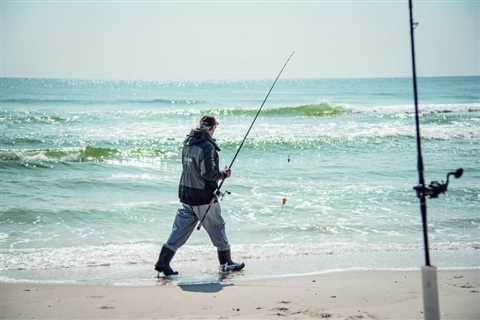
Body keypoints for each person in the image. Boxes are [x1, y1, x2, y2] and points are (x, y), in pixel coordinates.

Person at [154, 115, 245, 276]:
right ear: (211, 128)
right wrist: (223, 174)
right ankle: (226, 263)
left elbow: (191, 169)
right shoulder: (207, 147)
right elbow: (208, 174)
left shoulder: (188, 142)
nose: (215, 130)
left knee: (179, 232)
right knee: (218, 228)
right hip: (203, 197)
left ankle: (163, 262)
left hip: (186, 193)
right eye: (215, 127)